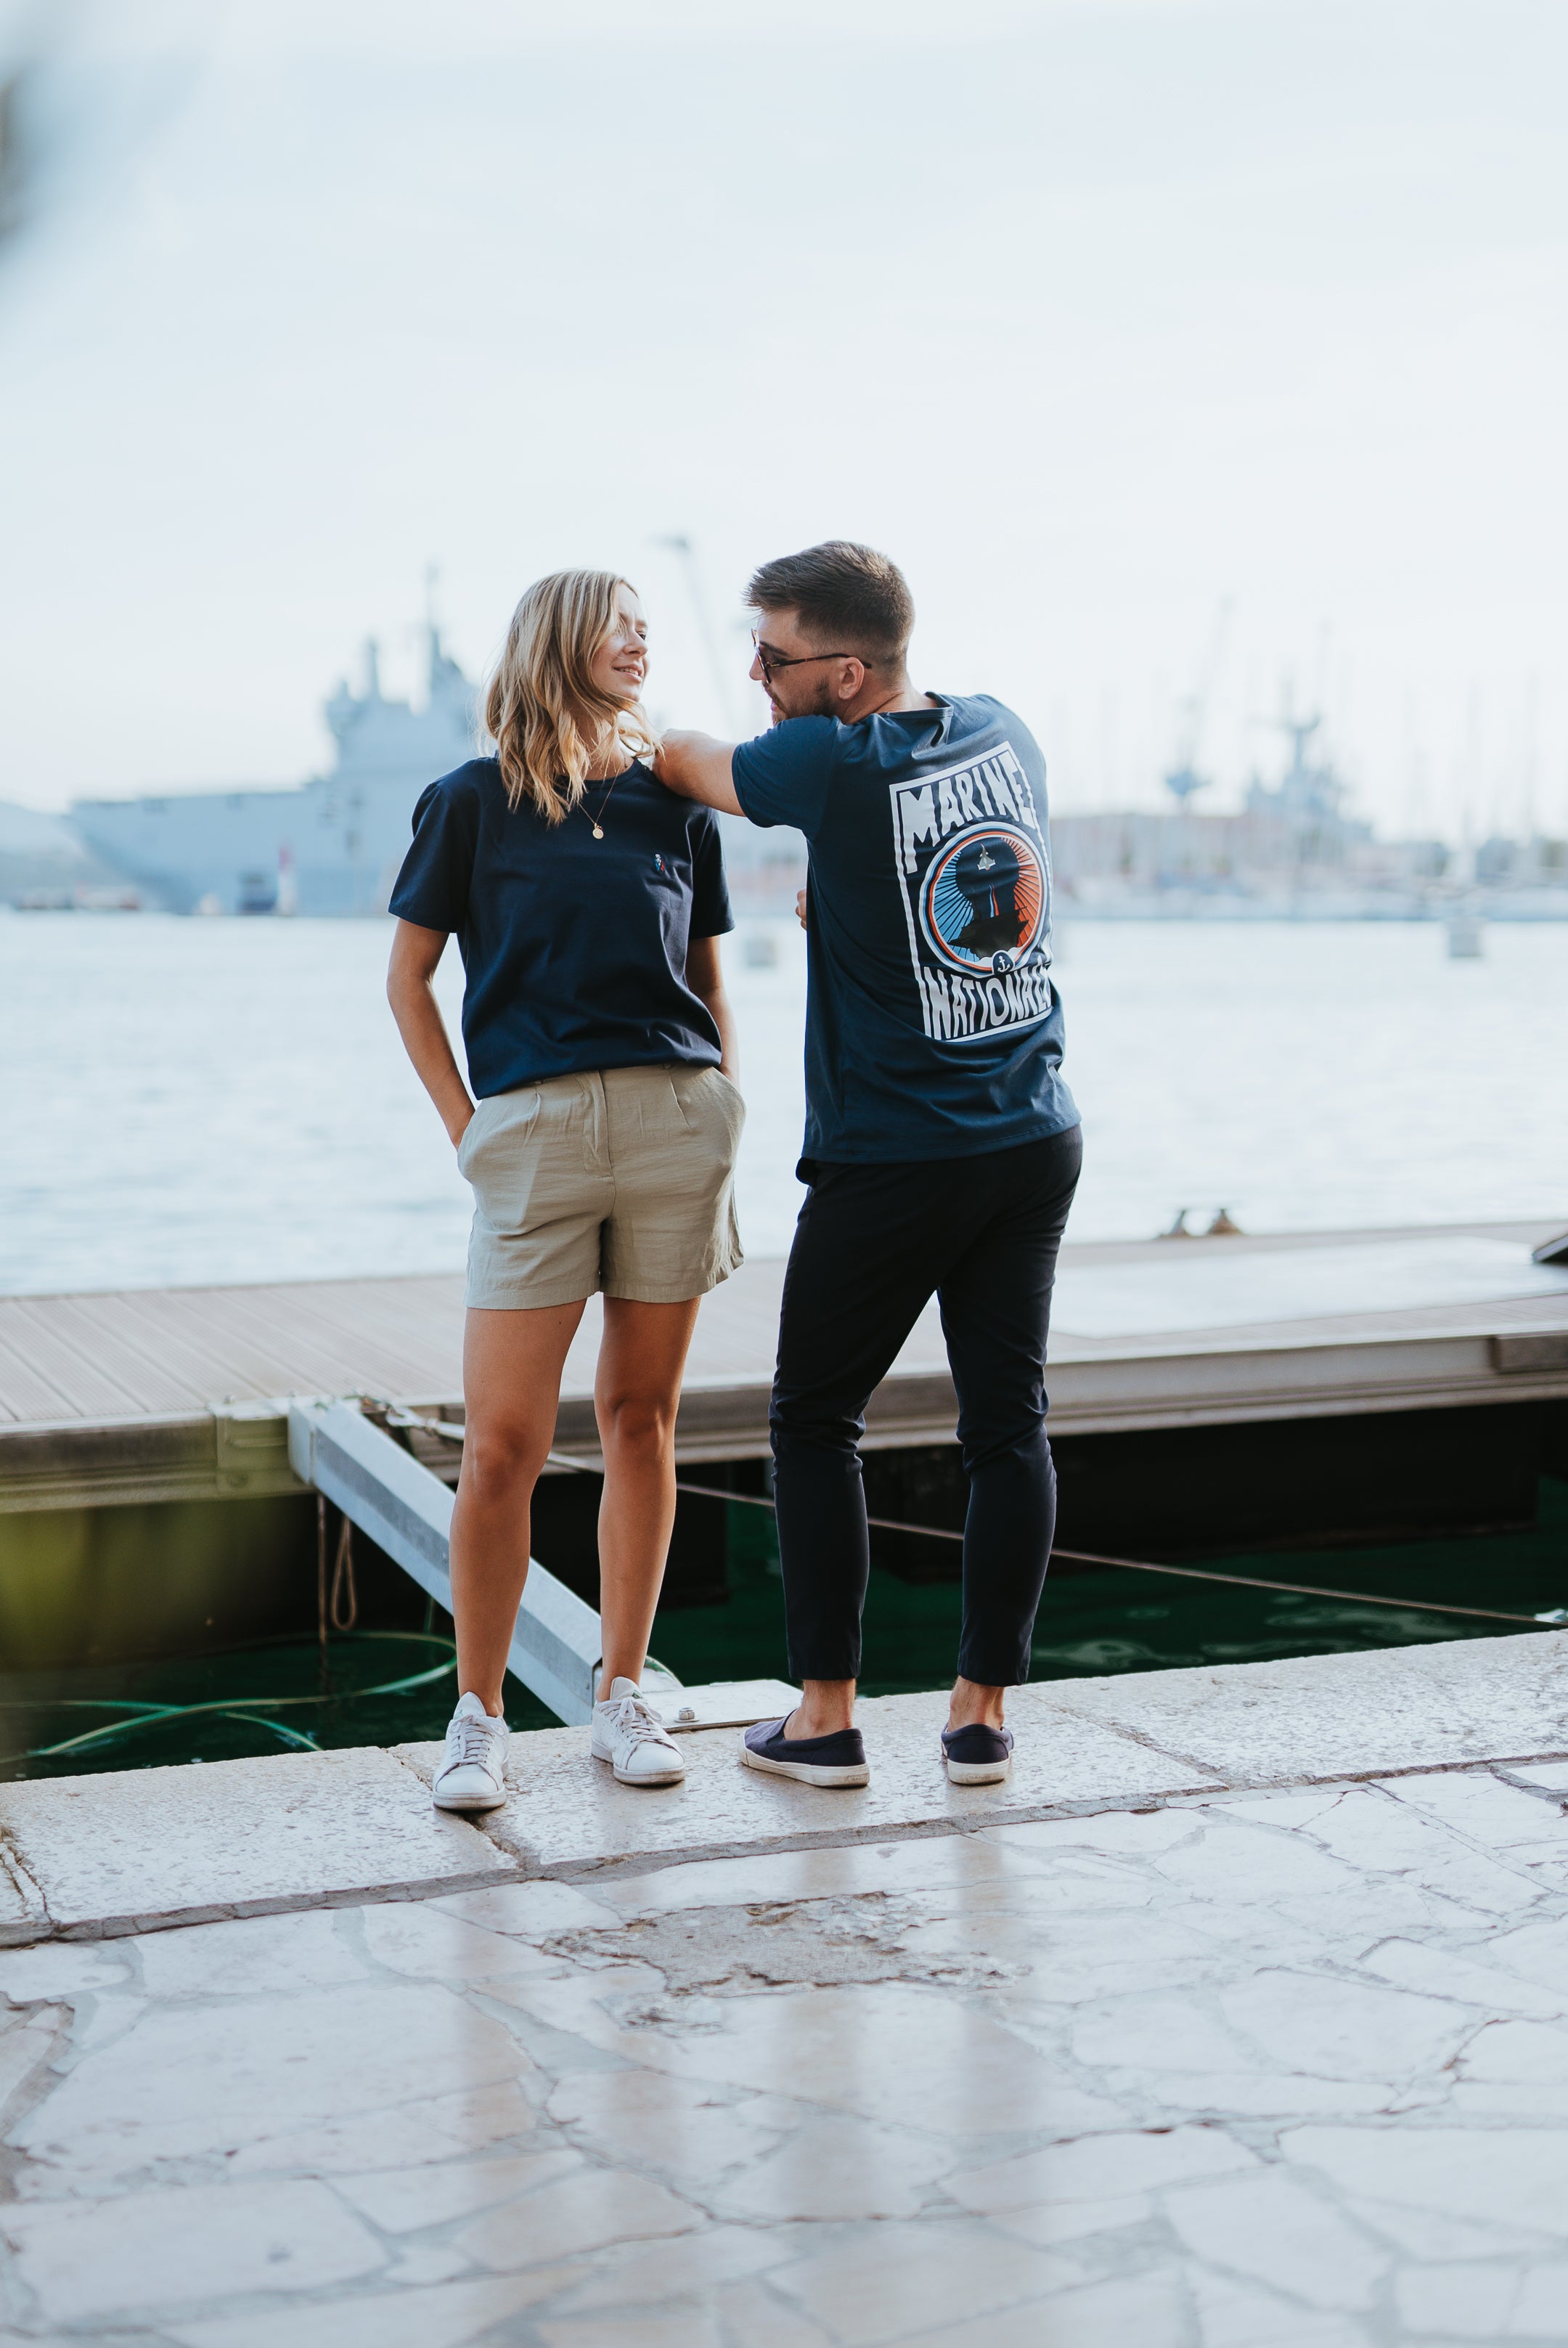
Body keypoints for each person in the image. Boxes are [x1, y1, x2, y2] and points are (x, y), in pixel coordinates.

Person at [656, 541, 1080, 1791]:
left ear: (845, 672)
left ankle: (827, 1718)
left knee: (812, 1419)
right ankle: (979, 1716)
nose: (756, 675)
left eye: (775, 657)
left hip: (898, 1151)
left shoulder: (826, 759)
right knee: (1010, 1426)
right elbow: (958, 884)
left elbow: (686, 762)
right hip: (1033, 1131)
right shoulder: (1001, 730)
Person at [386, 569, 745, 1809]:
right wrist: (464, 1128)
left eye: (648, 625)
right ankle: (476, 1715)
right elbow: (409, 982)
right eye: (619, 620)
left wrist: (725, 1107)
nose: (642, 640)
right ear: (557, 637)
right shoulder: (472, 801)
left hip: (672, 1120)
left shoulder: (674, 805)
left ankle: (623, 1694)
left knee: (641, 1420)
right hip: (531, 1134)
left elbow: (706, 976)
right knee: (503, 1443)